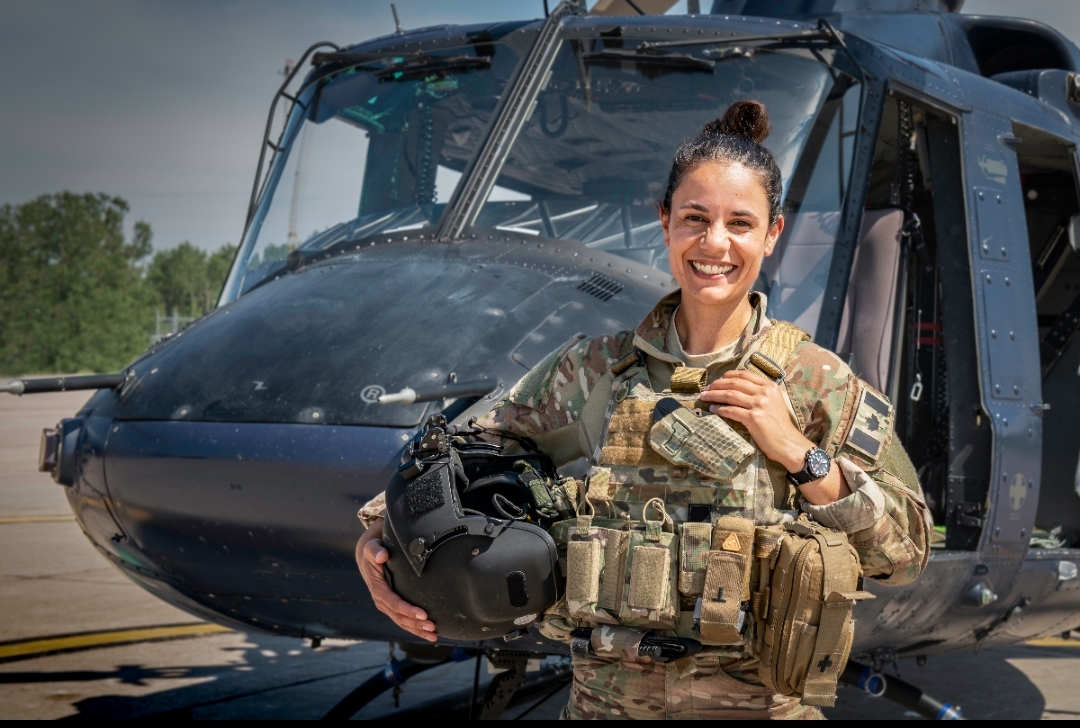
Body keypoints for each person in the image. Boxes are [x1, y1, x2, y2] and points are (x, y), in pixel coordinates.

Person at [356, 100, 931, 719]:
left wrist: (798, 452)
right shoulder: (594, 370)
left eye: (740, 223)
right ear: (665, 223)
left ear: (772, 234)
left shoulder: (814, 380)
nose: (715, 243)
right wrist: (378, 537)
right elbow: (456, 463)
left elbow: (905, 556)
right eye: (694, 218)